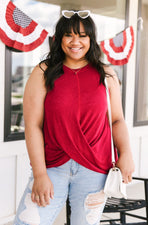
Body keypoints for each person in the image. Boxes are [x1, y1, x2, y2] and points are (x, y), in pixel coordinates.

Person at [13, 10, 135, 225]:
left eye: (82, 35)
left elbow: (117, 120)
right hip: (52, 167)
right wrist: (40, 174)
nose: (75, 41)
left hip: (95, 168)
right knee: (27, 222)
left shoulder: (106, 74)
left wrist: (126, 153)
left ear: (91, 39)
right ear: (59, 38)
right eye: (68, 35)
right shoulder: (43, 71)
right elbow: (33, 126)